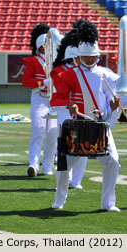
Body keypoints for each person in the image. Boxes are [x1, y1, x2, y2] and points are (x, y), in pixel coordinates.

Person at [51, 21, 121, 212]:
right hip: (77, 126)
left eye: (92, 56)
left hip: (99, 125)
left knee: (113, 162)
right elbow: (57, 98)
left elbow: (109, 104)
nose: (89, 60)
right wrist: (69, 104)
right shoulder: (69, 74)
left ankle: (108, 203)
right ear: (79, 56)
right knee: (65, 164)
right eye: (86, 57)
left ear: (98, 55)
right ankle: (59, 199)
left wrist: (114, 107)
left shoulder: (106, 74)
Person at [50, 27, 87, 189]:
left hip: (81, 111)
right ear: (73, 58)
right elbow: (62, 94)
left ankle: (76, 180)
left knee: (83, 146)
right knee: (65, 146)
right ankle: (65, 177)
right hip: (65, 110)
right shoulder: (58, 72)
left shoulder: (84, 71)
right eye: (79, 58)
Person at [22, 23, 57, 177]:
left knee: (53, 134)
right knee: (38, 132)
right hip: (40, 98)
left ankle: (48, 166)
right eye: (46, 45)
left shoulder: (57, 61)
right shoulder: (33, 61)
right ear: (40, 47)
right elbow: (26, 81)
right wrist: (43, 82)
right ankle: (33, 165)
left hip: (55, 100)